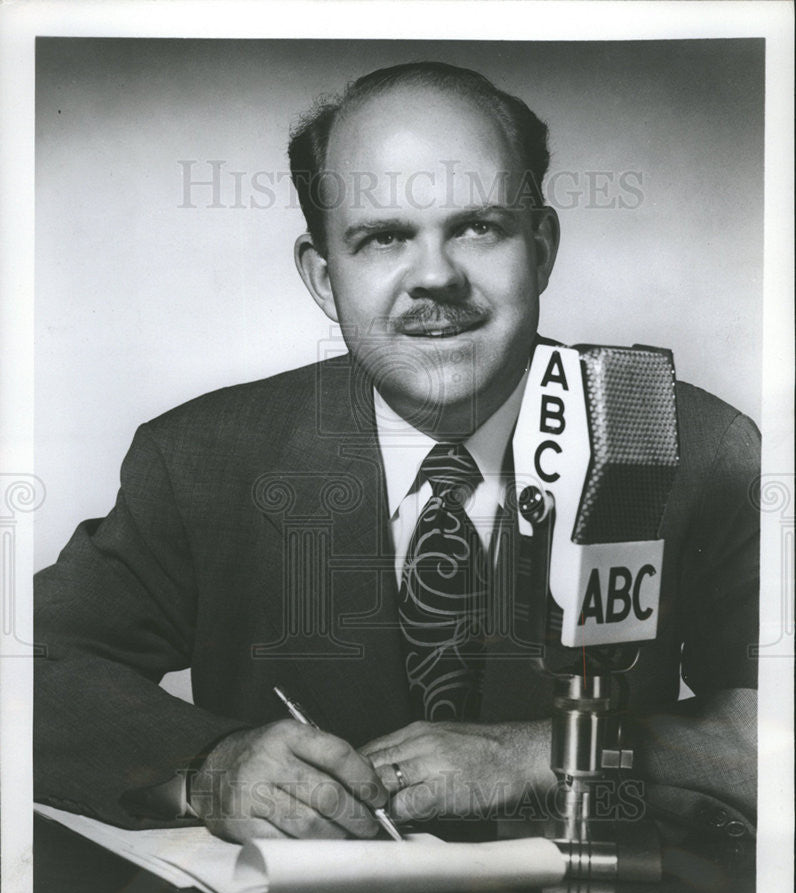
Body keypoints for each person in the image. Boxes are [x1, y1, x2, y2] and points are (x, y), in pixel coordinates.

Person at [34, 62, 759, 844]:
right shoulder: (202, 459)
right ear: (323, 277)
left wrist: (553, 754)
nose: (437, 276)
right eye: (384, 238)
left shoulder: (691, 445)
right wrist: (210, 763)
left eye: (478, 227)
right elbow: (29, 669)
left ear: (541, 248)